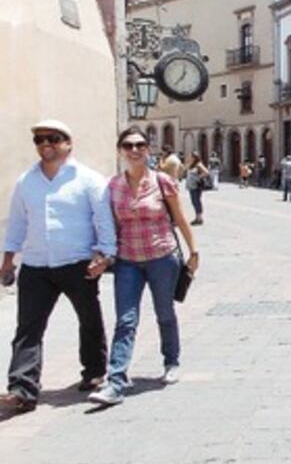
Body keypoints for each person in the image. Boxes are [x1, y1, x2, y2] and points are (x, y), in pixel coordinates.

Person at [0, 120, 116, 413]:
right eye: (39, 140)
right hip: (37, 264)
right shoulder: (26, 181)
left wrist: (105, 255)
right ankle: (22, 390)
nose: (45, 144)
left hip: (78, 262)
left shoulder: (89, 179)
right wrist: (8, 260)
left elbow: (103, 220)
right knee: (28, 328)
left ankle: (93, 371)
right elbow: (17, 223)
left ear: (68, 143)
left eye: (52, 138)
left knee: (88, 319)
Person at [88, 130, 200, 405]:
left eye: (140, 145)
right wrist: (104, 255)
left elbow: (180, 219)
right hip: (128, 261)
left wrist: (193, 250)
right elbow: (111, 226)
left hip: (163, 257)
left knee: (164, 312)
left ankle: (171, 361)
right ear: (120, 150)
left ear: (147, 150)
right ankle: (116, 382)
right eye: (128, 145)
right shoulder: (112, 186)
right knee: (126, 321)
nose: (134, 149)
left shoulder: (162, 182)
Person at [185, 152, 209, 226]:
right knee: (194, 202)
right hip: (191, 186)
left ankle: (199, 218)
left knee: (196, 201)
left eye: (191, 157)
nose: (189, 158)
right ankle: (197, 217)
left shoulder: (199, 164)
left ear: (195, 157)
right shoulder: (191, 165)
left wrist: (198, 178)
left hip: (196, 186)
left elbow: (206, 172)